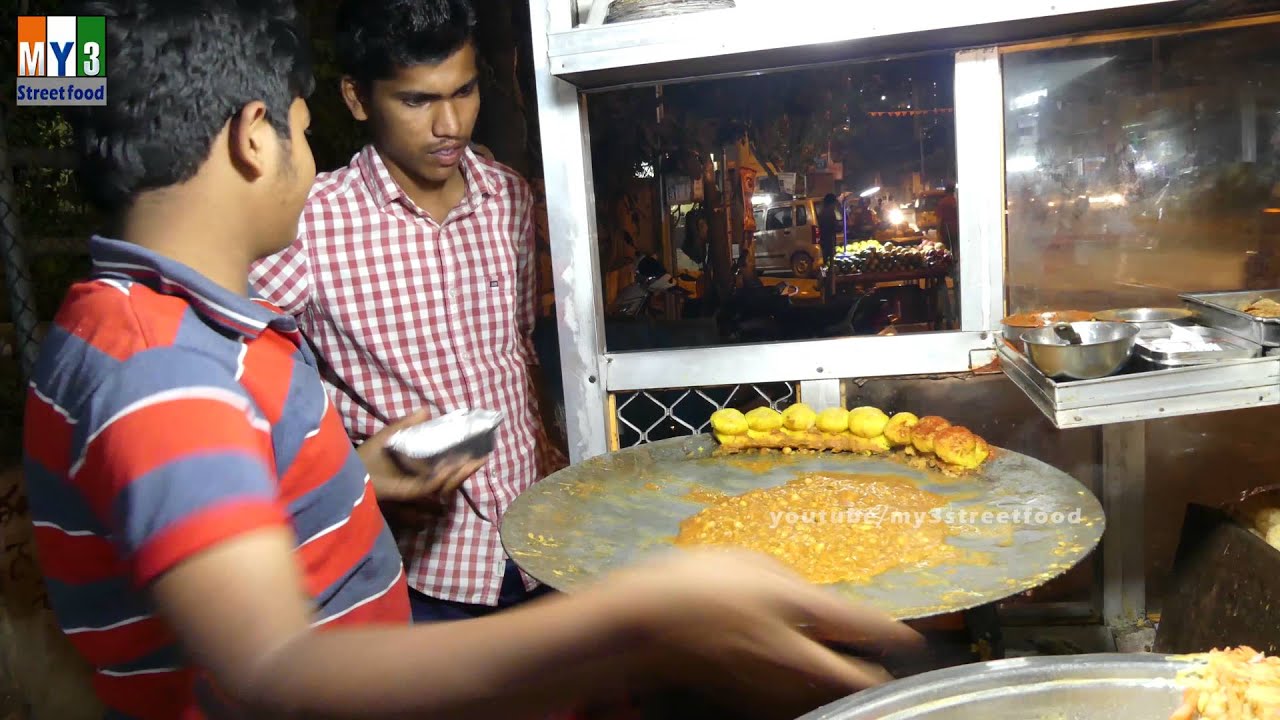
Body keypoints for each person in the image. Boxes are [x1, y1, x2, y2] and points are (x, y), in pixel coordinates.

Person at [23, 2, 922, 718]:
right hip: (422, 594)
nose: (446, 121)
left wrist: (351, 470)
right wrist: (645, 614)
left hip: (517, 540)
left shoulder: (173, 330)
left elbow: (64, 74)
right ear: (259, 136)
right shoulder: (163, 363)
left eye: (463, 92)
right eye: (300, 130)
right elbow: (275, 668)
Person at [249, 0, 564, 623]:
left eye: (465, 91)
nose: (450, 123)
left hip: (544, 539)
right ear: (359, 99)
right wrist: (347, 473)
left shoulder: (510, 198)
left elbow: (525, 353)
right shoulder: (310, 223)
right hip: (423, 572)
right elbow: (236, 387)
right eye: (417, 101)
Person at [818, 193, 840, 270]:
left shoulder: (822, 211)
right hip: (828, 241)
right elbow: (832, 227)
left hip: (824, 241)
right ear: (831, 203)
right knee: (827, 262)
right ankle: (826, 278)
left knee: (824, 262)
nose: (834, 205)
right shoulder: (829, 212)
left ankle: (824, 277)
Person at [936, 183, 959, 248]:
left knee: (948, 249)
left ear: (946, 192)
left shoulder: (942, 203)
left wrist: (938, 232)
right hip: (957, 229)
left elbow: (939, 219)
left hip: (947, 230)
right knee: (956, 247)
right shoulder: (956, 201)